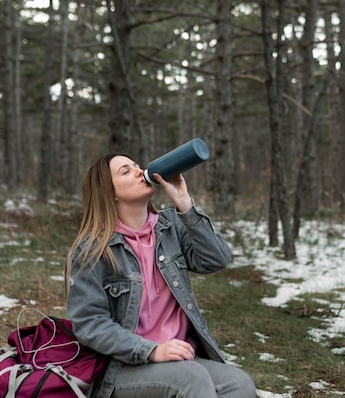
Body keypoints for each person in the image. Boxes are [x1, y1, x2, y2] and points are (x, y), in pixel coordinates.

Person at [65, 152, 257, 398]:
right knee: (191, 379)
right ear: (108, 192)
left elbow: (216, 259)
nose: (138, 171)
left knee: (239, 384)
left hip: (180, 360)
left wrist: (185, 203)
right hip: (125, 366)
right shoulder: (93, 249)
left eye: (137, 166)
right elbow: (90, 324)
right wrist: (151, 350)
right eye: (126, 171)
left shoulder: (170, 227)